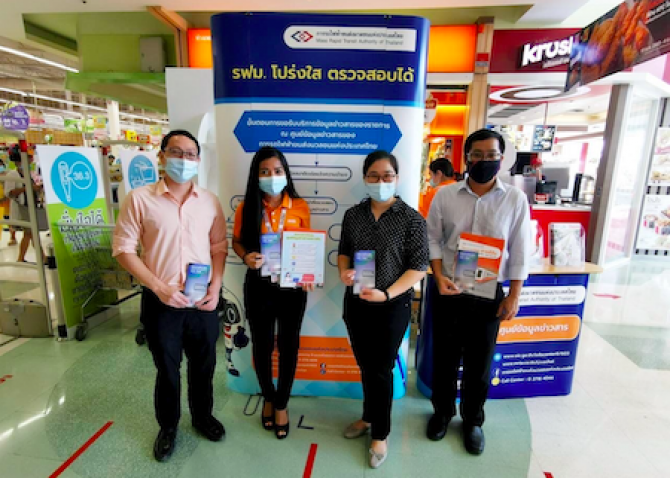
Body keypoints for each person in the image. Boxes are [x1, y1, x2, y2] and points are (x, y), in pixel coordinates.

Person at [112, 130, 228, 462]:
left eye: (190, 154)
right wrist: (159, 287)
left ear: (198, 160)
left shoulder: (209, 201)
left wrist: (216, 288)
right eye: (176, 152)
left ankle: (202, 416)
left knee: (204, 365)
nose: (183, 159)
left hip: (202, 299)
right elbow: (123, 250)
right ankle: (168, 426)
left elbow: (218, 247)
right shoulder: (139, 199)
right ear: (161, 156)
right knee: (167, 369)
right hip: (160, 301)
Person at [425, 129, 531, 455]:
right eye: (478, 155)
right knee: (444, 359)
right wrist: (438, 276)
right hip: (449, 288)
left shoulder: (515, 199)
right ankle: (442, 413)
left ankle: (473, 420)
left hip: (489, 292)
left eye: (491, 155)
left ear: (501, 159)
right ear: (467, 158)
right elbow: (432, 239)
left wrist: (514, 295)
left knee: (480, 363)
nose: (484, 160)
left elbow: (520, 249)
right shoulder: (445, 195)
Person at [338, 150, 429, 469]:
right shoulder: (353, 215)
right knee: (366, 366)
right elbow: (344, 252)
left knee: (380, 369)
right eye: (374, 176)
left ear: (397, 178)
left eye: (387, 175)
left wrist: (387, 293)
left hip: (392, 306)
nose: (381, 181)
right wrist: (344, 273)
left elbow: (419, 267)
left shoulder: (412, 219)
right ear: (365, 179)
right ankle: (368, 416)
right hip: (357, 303)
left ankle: (380, 433)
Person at [232, 146, 312, 440]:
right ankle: (268, 395)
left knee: (289, 346)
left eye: (277, 171)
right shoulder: (246, 207)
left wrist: (308, 272)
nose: (272, 176)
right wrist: (245, 256)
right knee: (262, 345)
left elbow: (307, 245)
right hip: (258, 285)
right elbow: (237, 241)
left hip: (292, 288)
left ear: (286, 173)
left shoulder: (299, 206)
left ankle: (281, 404)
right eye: (264, 171)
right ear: (256, 175)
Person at [6, 152, 46, 263]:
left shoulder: (27, 173)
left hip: (30, 207)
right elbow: (10, 192)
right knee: (29, 232)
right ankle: (22, 258)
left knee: (32, 233)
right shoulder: (12, 175)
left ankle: (42, 257)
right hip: (22, 208)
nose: (31, 160)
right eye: (28, 158)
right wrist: (28, 187)